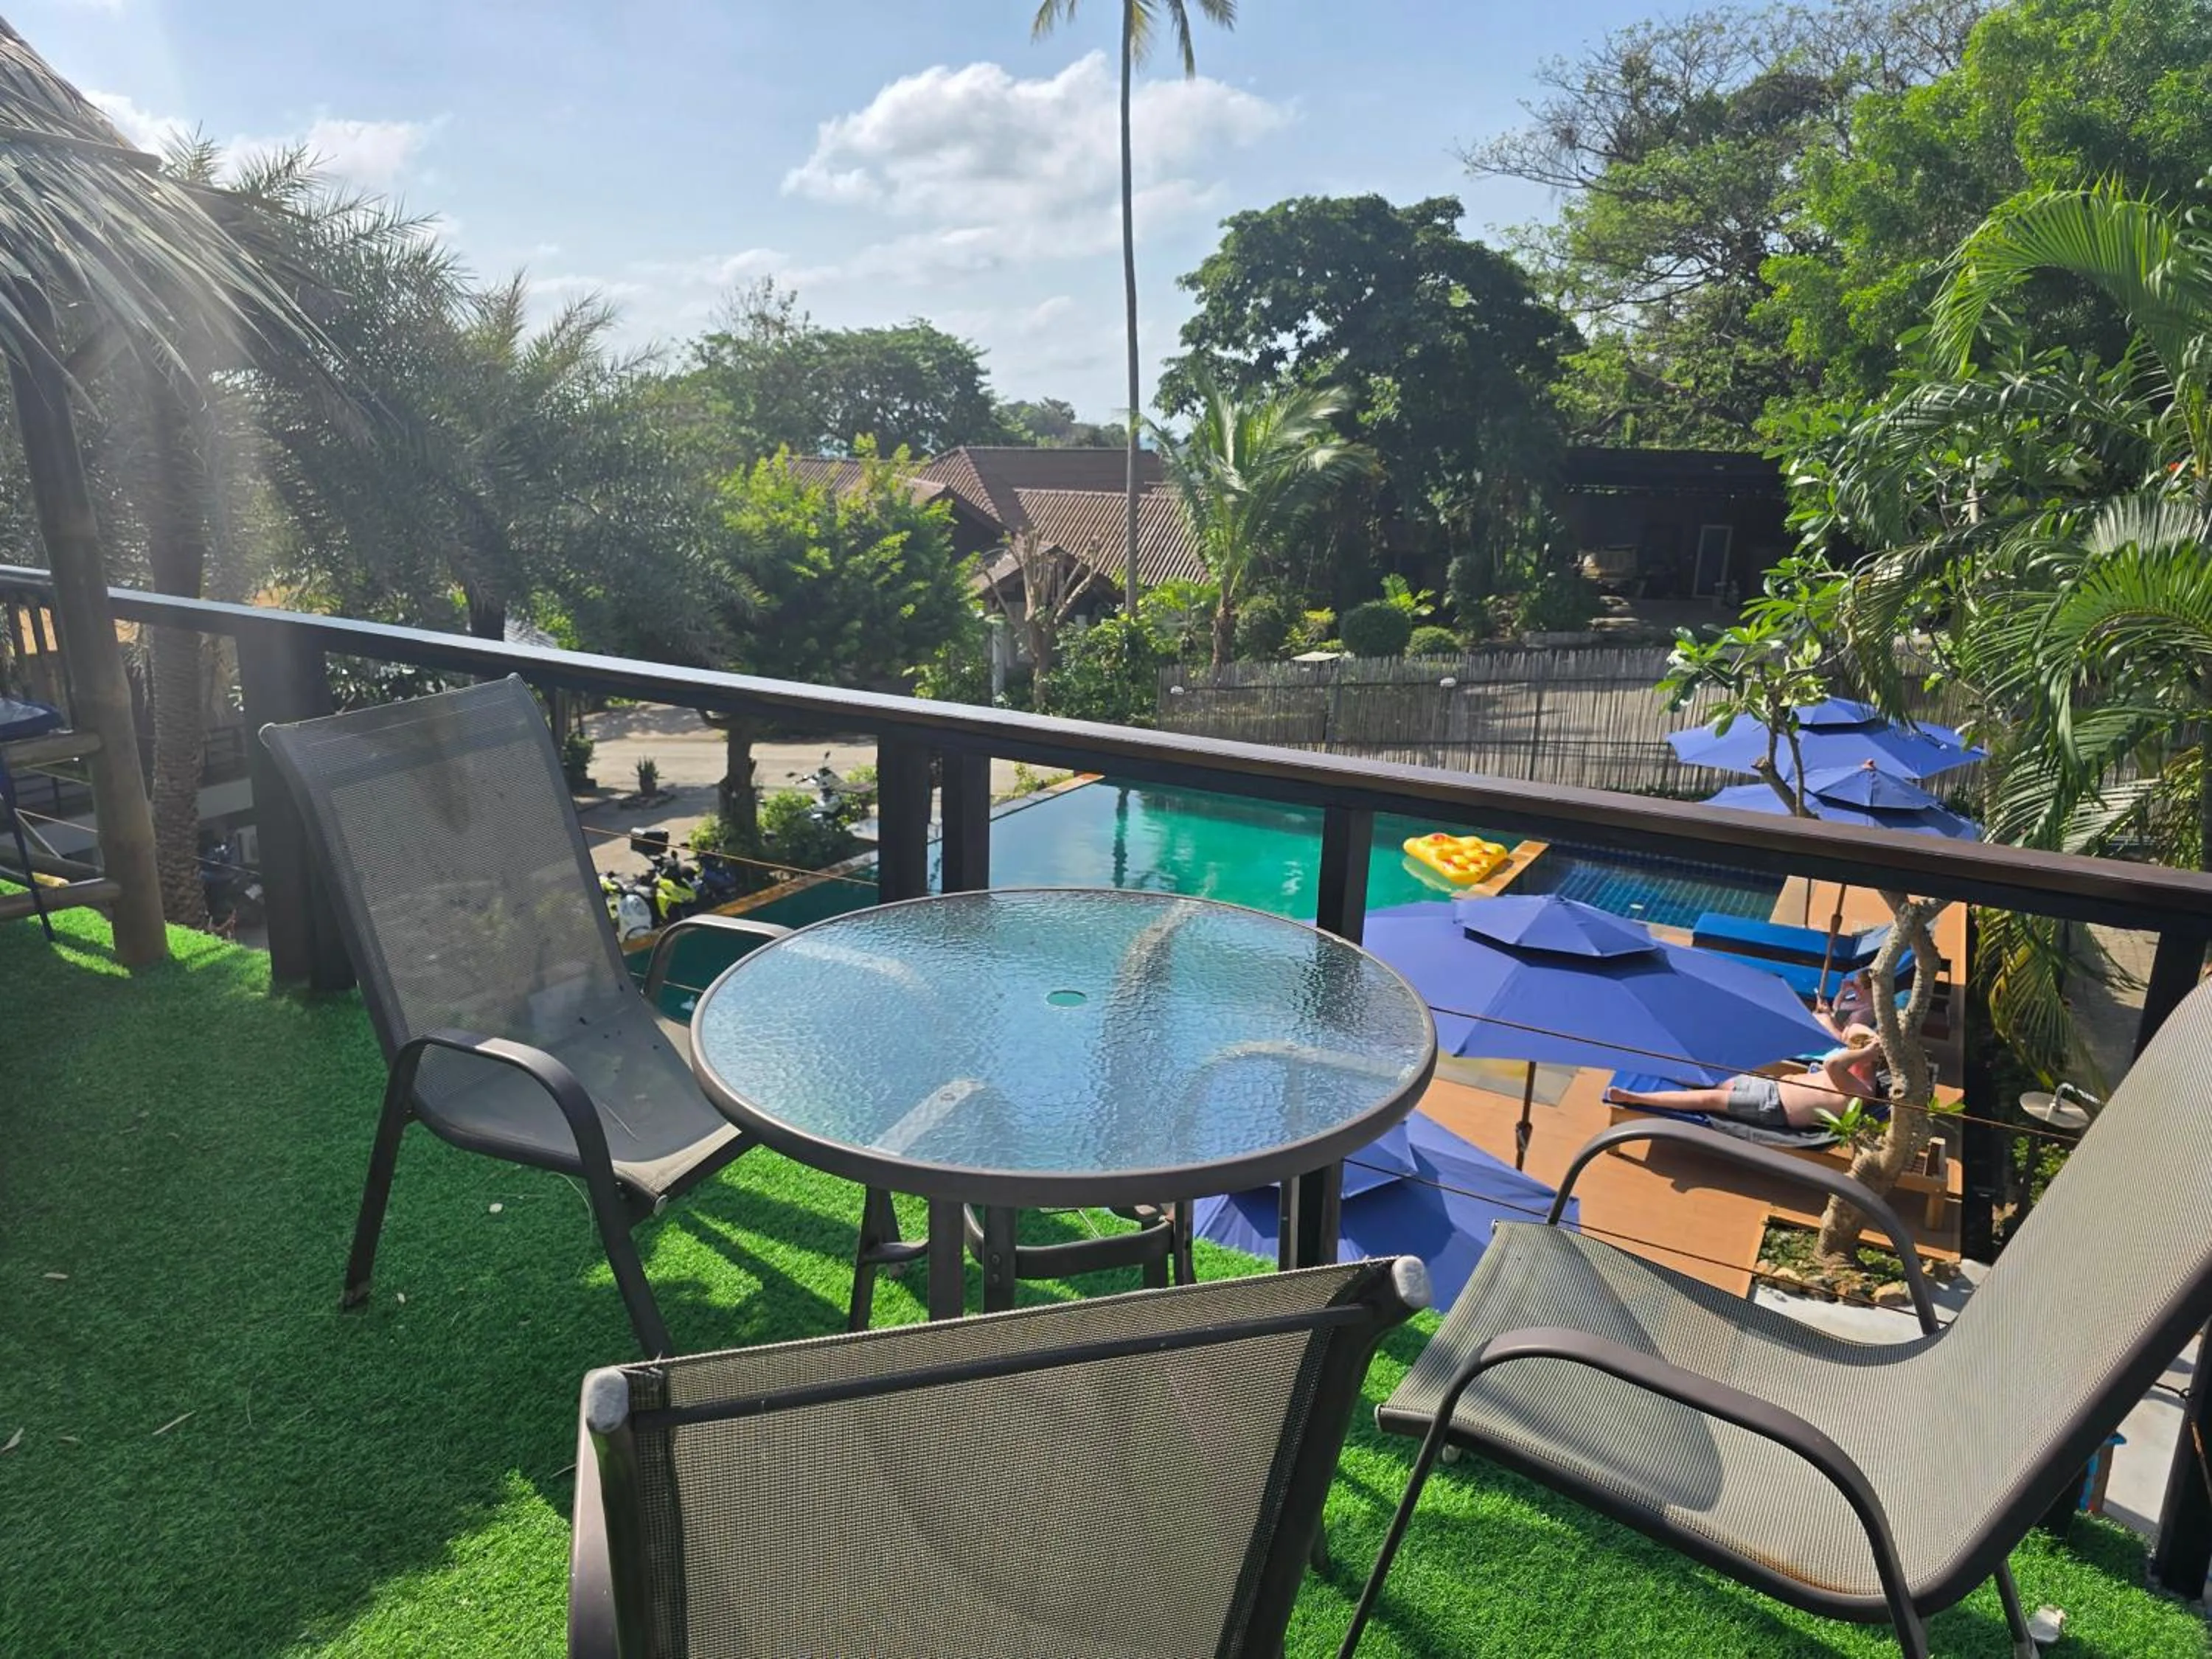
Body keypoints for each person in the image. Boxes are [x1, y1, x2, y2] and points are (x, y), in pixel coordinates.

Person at [1605, 1028, 1884, 1133]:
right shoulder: (1857, 1071)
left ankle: (1633, 1098)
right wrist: (1871, 1041)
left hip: (1774, 1107)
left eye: (1858, 1052)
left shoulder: (1862, 1090)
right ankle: (1653, 1062)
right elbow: (1850, 1032)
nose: (1851, 1051)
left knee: (1709, 1098)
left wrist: (1867, 1050)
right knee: (1711, 1075)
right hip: (1769, 1087)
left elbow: (1832, 1062)